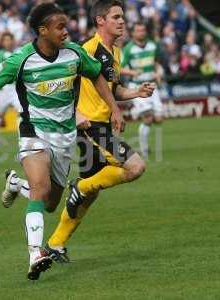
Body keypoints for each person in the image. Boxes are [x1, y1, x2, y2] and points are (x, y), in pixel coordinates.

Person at [0, 2, 125, 280]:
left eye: (66, 25)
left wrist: (115, 108)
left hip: (64, 137)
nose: (66, 31)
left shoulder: (74, 55)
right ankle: (36, 254)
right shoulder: (21, 59)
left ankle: (14, 184)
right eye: (60, 27)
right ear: (42, 30)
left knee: (48, 202)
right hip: (33, 132)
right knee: (40, 187)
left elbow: (96, 76)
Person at [45, 0, 155, 262]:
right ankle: (80, 187)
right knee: (135, 166)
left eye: (122, 17)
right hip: (89, 126)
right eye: (116, 16)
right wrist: (75, 113)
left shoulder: (115, 52)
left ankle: (55, 244)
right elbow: (61, 85)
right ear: (100, 21)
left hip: (101, 125)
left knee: (90, 194)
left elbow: (111, 89)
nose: (122, 21)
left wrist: (136, 92)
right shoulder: (87, 49)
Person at [121, 21, 164, 159]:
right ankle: (144, 150)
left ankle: (134, 112)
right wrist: (132, 73)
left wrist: (158, 73)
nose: (141, 33)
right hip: (138, 87)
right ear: (133, 33)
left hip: (152, 86)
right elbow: (120, 68)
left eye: (143, 30)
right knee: (148, 117)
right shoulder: (128, 49)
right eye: (138, 30)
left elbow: (156, 62)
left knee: (158, 119)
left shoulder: (153, 45)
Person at [0, 32, 22, 151]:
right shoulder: (0, 54)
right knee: (0, 114)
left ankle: (21, 140)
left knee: (21, 112)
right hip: (4, 89)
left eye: (10, 40)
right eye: (5, 40)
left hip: (15, 88)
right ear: (2, 42)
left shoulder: (18, 52)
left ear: (13, 41)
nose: (8, 42)